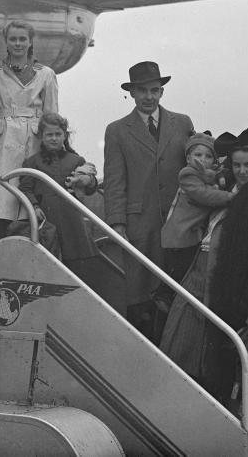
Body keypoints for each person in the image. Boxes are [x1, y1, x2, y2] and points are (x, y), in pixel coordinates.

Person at [160, 119, 248, 404]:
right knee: (182, 335)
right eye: (238, 165)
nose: (242, 171)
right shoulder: (230, 190)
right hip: (201, 268)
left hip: (231, 287)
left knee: (216, 360)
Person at [103, 61, 193, 337]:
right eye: (142, 91)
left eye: (154, 90)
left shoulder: (183, 122)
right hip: (139, 222)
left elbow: (193, 169)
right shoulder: (117, 130)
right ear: (131, 93)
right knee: (140, 292)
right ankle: (144, 347)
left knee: (176, 288)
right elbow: (114, 181)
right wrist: (117, 225)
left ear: (162, 92)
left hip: (178, 221)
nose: (148, 97)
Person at [0, 20, 58, 240]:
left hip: (34, 140)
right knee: (3, 196)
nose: (18, 44)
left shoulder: (46, 74)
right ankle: (1, 238)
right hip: (3, 141)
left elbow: (52, 116)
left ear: (30, 42)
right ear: (6, 42)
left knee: (31, 191)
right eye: (13, 39)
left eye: (22, 39)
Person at [153, 132, 234, 338]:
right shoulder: (188, 174)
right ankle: (163, 299)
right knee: (179, 271)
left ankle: (168, 302)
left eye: (208, 156)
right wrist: (232, 198)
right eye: (198, 154)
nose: (203, 159)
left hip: (189, 234)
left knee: (182, 270)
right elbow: (204, 195)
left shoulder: (209, 176)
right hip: (180, 234)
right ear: (188, 158)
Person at [18, 113, 99, 275]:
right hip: (47, 221)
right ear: (41, 136)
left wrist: (87, 180)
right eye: (49, 135)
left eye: (58, 134)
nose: (54, 138)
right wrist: (33, 206)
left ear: (65, 136)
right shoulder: (32, 162)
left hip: (73, 223)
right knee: (50, 265)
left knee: (78, 267)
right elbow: (25, 188)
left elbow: (91, 188)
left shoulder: (76, 160)